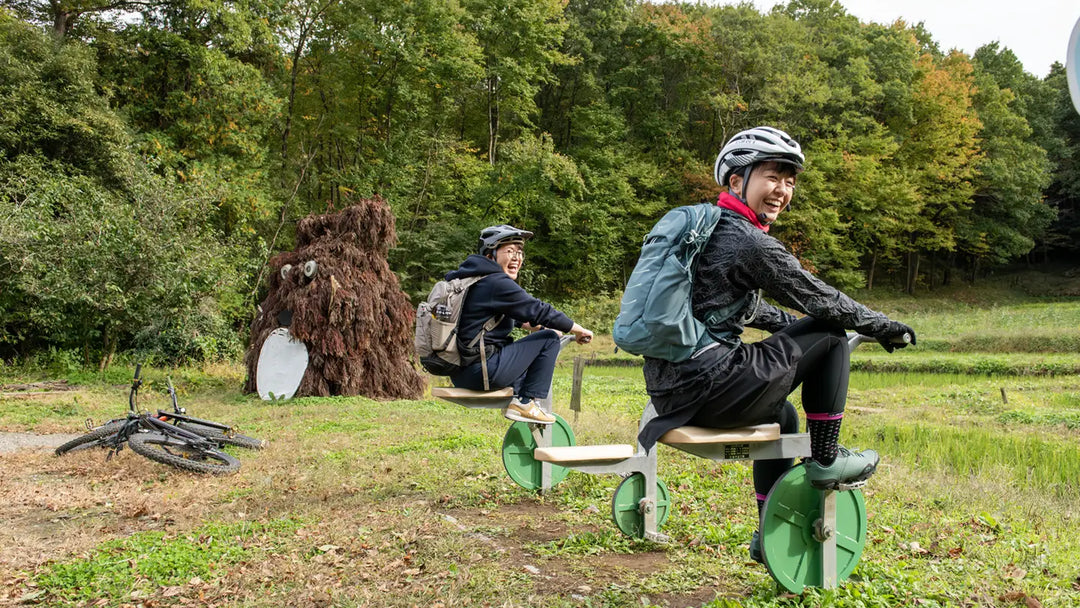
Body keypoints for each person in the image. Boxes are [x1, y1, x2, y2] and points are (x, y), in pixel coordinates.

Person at [635, 126, 915, 563]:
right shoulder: (747, 240)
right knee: (831, 331)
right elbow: (820, 299)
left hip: (672, 389)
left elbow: (751, 313)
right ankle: (825, 459)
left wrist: (797, 330)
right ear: (736, 181)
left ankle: (767, 534)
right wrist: (881, 325)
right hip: (710, 387)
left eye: (790, 181)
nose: (782, 190)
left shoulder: (706, 232)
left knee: (783, 414)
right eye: (772, 176)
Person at [446, 225, 594, 424]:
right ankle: (524, 403)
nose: (517, 257)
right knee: (549, 340)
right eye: (509, 251)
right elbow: (539, 310)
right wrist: (578, 329)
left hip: (463, 373)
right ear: (490, 256)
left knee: (541, 337)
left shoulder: (473, 280)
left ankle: (520, 401)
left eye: (520, 252)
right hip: (483, 372)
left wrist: (539, 328)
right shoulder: (495, 282)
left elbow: (507, 319)